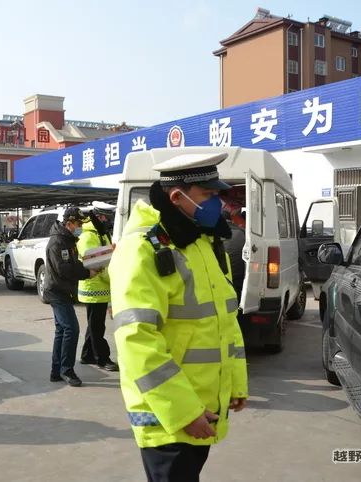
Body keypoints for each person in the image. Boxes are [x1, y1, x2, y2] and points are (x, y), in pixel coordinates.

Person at [108, 152, 248, 482]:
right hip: (168, 415)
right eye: (209, 196)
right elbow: (137, 339)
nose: (219, 204)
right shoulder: (142, 248)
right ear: (177, 197)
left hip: (202, 406)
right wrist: (183, 411)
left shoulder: (201, 242)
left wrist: (235, 384)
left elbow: (225, 321)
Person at [45, 207, 99, 387]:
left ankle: (56, 370)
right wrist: (86, 272)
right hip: (57, 291)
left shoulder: (67, 239)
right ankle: (67, 370)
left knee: (61, 330)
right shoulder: (58, 242)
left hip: (63, 290)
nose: (80, 228)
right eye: (78, 224)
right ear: (68, 223)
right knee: (71, 329)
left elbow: (71, 263)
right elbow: (64, 269)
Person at [78, 201, 119, 371]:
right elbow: (95, 264)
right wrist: (113, 280)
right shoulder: (89, 236)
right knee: (97, 326)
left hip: (100, 288)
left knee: (94, 324)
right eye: (104, 217)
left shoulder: (100, 233)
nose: (106, 220)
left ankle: (87, 355)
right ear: (98, 216)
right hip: (93, 288)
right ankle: (101, 358)